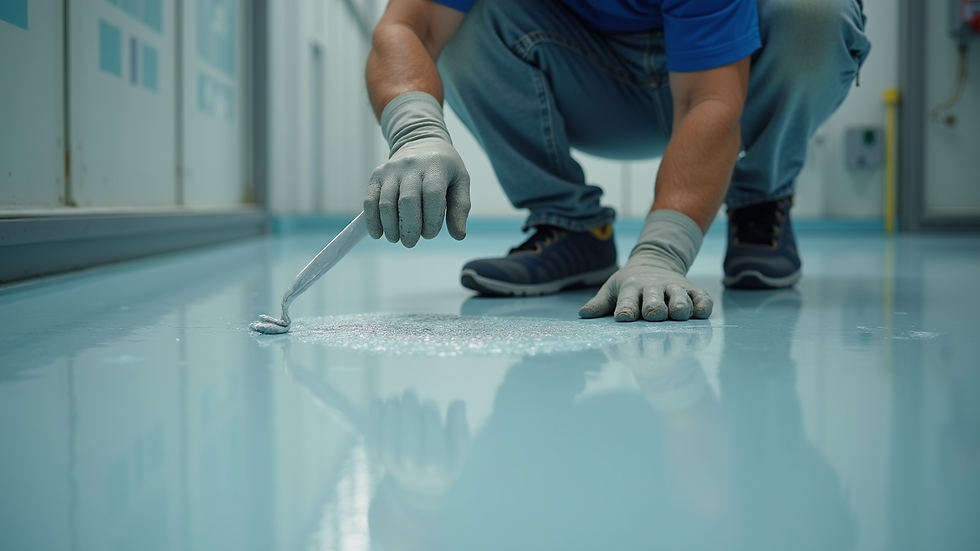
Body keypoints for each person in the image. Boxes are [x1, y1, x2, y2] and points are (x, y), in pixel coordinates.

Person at [363, 0, 871, 322]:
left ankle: (761, 200)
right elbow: (407, 26)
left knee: (816, 14)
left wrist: (661, 253)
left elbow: (709, 99)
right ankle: (570, 227)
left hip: (731, 72)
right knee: (460, 23)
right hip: (591, 73)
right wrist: (416, 131)